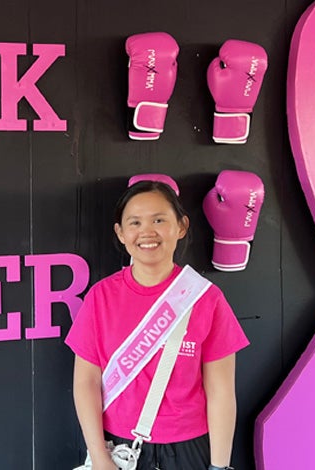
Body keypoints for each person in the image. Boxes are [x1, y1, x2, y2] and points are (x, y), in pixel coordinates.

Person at [66, 178, 249, 470]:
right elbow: (85, 382)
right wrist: (100, 458)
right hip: (119, 450)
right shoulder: (100, 297)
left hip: (191, 450)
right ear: (121, 233)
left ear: (181, 226)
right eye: (134, 223)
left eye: (159, 220)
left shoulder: (206, 298)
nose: (146, 232)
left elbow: (221, 391)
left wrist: (219, 466)